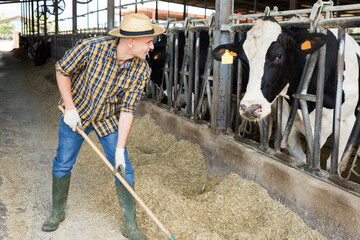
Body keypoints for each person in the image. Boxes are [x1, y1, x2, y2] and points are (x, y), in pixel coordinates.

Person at [42, 13, 164, 240]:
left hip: (107, 118)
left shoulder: (141, 70)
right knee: (63, 162)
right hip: (76, 114)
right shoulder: (91, 48)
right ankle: (57, 212)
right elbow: (62, 70)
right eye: (148, 41)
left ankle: (130, 225)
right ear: (131, 41)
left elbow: (128, 110)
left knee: (123, 167)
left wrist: (120, 149)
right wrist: (69, 108)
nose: (152, 46)